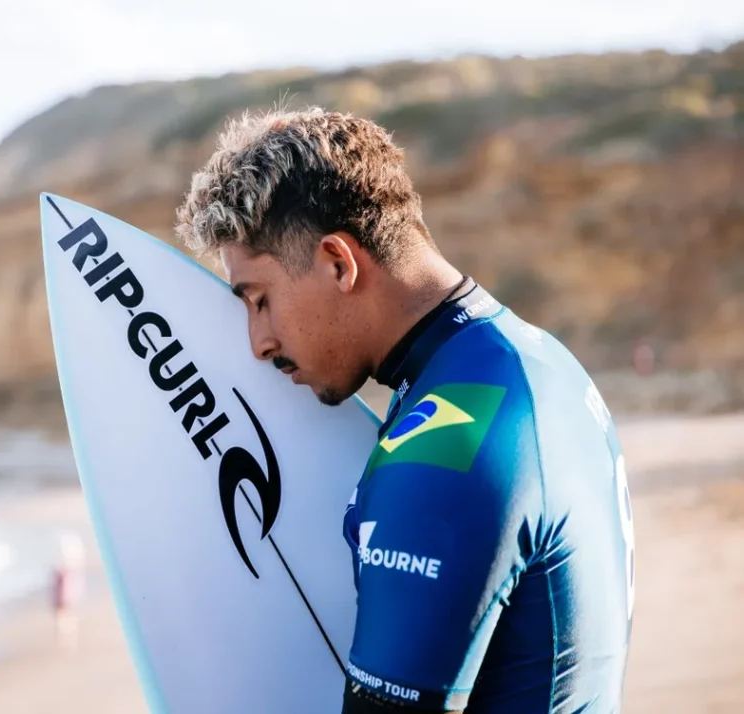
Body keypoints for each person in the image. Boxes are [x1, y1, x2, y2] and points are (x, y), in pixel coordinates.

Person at [174, 107, 635, 713]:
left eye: (259, 301)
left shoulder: (448, 441)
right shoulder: (532, 364)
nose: (258, 343)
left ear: (339, 263)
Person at [51, 530, 86, 652]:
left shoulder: (64, 568)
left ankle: (66, 637)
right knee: (65, 614)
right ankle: (68, 637)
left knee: (63, 613)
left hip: (65, 589)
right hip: (68, 589)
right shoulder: (72, 562)